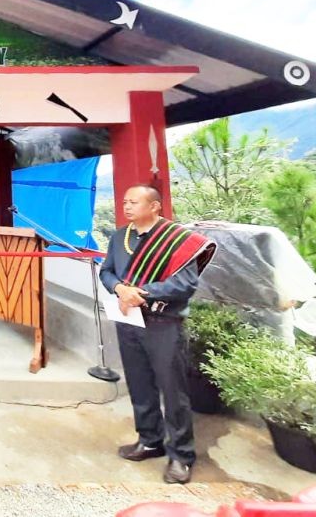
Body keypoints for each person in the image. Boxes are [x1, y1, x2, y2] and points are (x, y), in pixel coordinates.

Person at [99, 185, 216, 485]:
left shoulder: (178, 241)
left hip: (165, 323)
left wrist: (142, 293)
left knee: (173, 390)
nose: (126, 206)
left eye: (134, 202)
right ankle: (150, 440)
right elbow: (107, 272)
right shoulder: (119, 237)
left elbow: (185, 285)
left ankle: (181, 456)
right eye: (125, 202)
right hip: (129, 320)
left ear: (154, 207)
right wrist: (120, 289)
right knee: (139, 384)